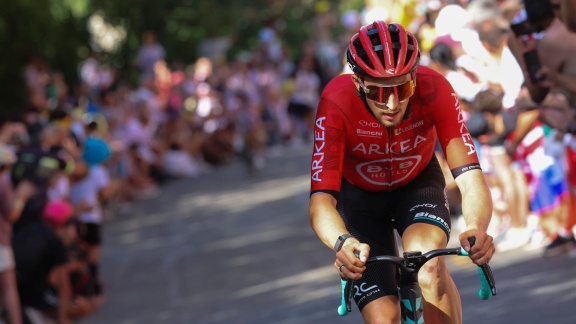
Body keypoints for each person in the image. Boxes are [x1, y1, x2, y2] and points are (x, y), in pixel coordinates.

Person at [308, 20, 495, 323]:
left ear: (414, 77)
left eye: (403, 87)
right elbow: (320, 202)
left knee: (428, 265)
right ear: (357, 82)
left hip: (417, 182)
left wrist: (476, 226)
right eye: (378, 93)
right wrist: (343, 242)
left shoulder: (435, 87)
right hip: (359, 198)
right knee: (383, 316)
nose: (393, 103)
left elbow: (471, 177)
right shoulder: (335, 100)